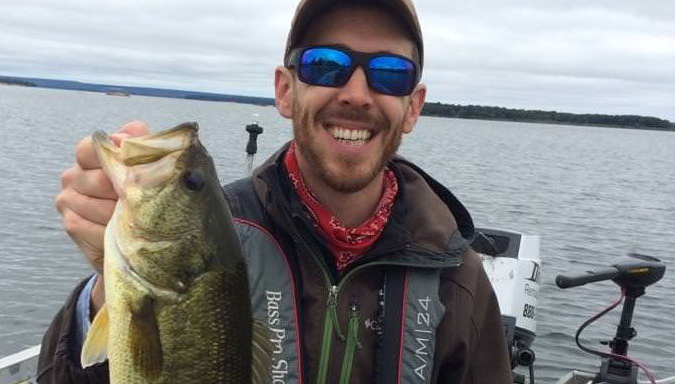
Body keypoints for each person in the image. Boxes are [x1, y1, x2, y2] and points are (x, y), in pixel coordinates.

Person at [37, 0, 512, 383]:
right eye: (326, 65)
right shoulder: (217, 234)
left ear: (413, 107)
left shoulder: (459, 280)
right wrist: (108, 293)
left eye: (390, 73)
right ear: (285, 91)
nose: (357, 93)